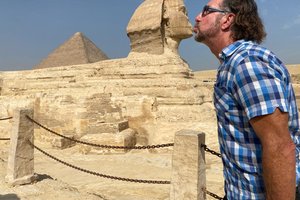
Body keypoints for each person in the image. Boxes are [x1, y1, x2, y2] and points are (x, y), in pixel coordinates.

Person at [193, 0, 300, 199]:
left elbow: (279, 147)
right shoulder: (231, 64)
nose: (197, 17)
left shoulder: (247, 63)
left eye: (206, 11)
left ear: (227, 20)